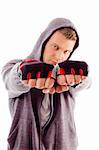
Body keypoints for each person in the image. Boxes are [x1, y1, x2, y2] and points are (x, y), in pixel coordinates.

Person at [2, 18, 91, 150]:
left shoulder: (67, 75)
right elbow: (11, 80)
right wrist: (24, 72)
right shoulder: (14, 66)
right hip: (24, 143)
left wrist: (80, 77)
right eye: (56, 47)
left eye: (66, 51)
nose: (60, 56)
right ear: (43, 42)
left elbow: (86, 83)